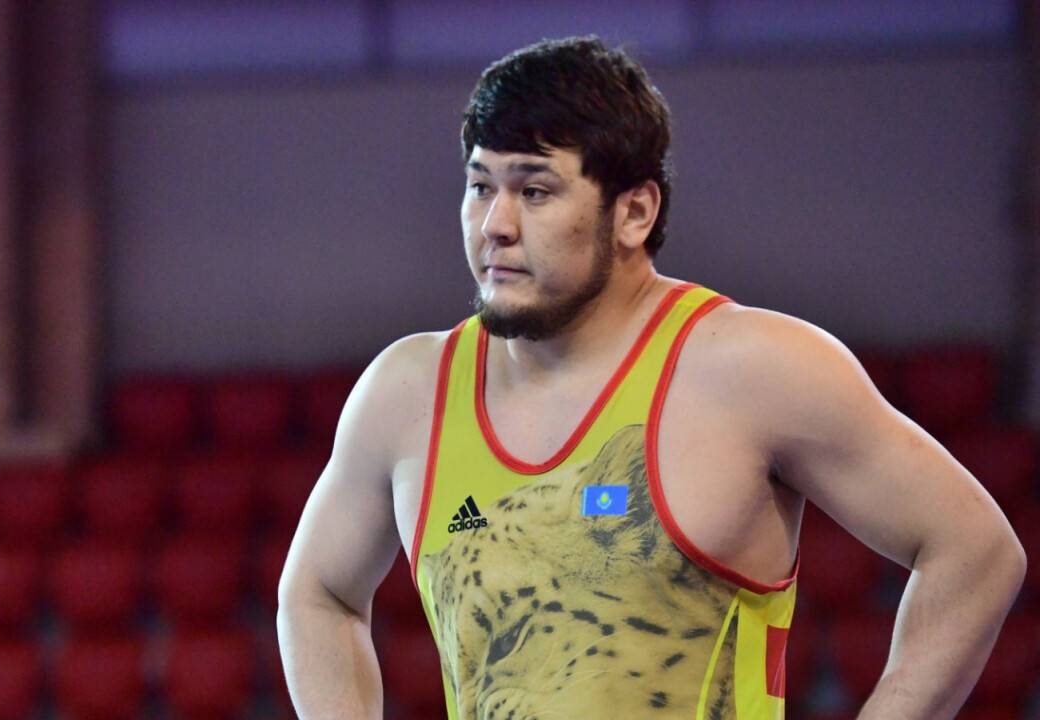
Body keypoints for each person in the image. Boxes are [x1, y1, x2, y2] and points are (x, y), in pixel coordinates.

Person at [276, 36, 1025, 719]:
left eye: (534, 191)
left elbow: (977, 552)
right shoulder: (406, 393)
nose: (495, 224)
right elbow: (318, 594)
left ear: (634, 212)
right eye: (480, 187)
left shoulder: (753, 370)